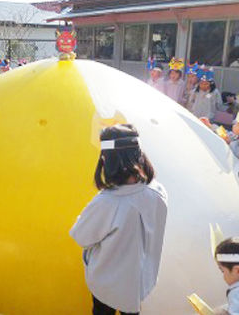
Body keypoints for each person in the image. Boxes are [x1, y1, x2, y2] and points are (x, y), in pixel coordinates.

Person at [70, 124, 168, 315]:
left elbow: (81, 236)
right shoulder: (157, 191)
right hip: (141, 278)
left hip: (108, 280)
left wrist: (83, 219)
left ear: (107, 159)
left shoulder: (108, 202)